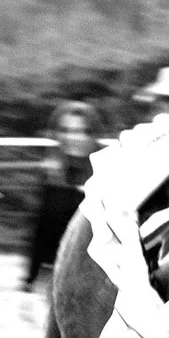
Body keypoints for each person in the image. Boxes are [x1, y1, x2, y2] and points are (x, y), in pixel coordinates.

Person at [23, 100, 99, 297]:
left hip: (99, 280)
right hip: (57, 279)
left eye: (82, 131)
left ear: (93, 133)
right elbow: (40, 232)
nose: (73, 137)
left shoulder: (107, 171)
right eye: (66, 130)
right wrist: (29, 281)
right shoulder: (51, 175)